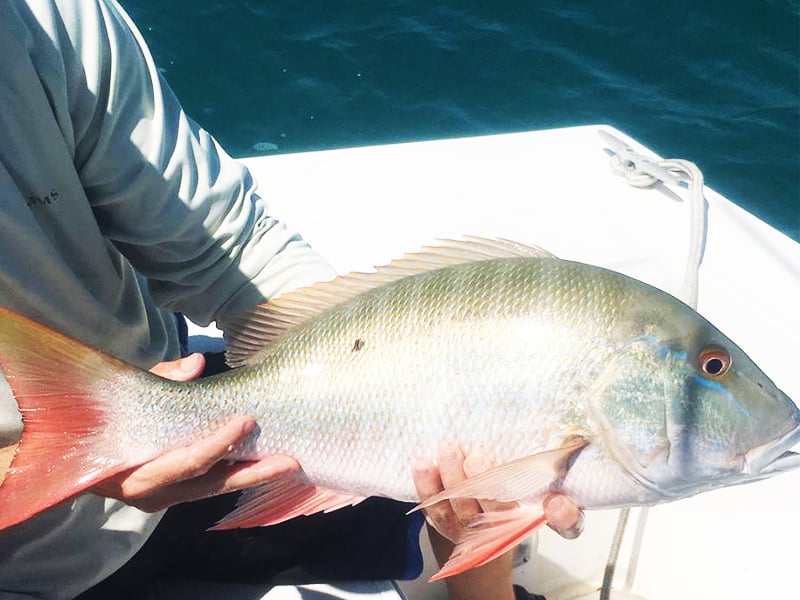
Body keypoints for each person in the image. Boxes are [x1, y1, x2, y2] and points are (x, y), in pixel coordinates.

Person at [0, 1, 582, 599]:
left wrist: (396, 376)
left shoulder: (42, 18)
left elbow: (227, 244)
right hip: (21, 557)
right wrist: (74, 454)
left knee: (454, 472)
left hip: (177, 429)